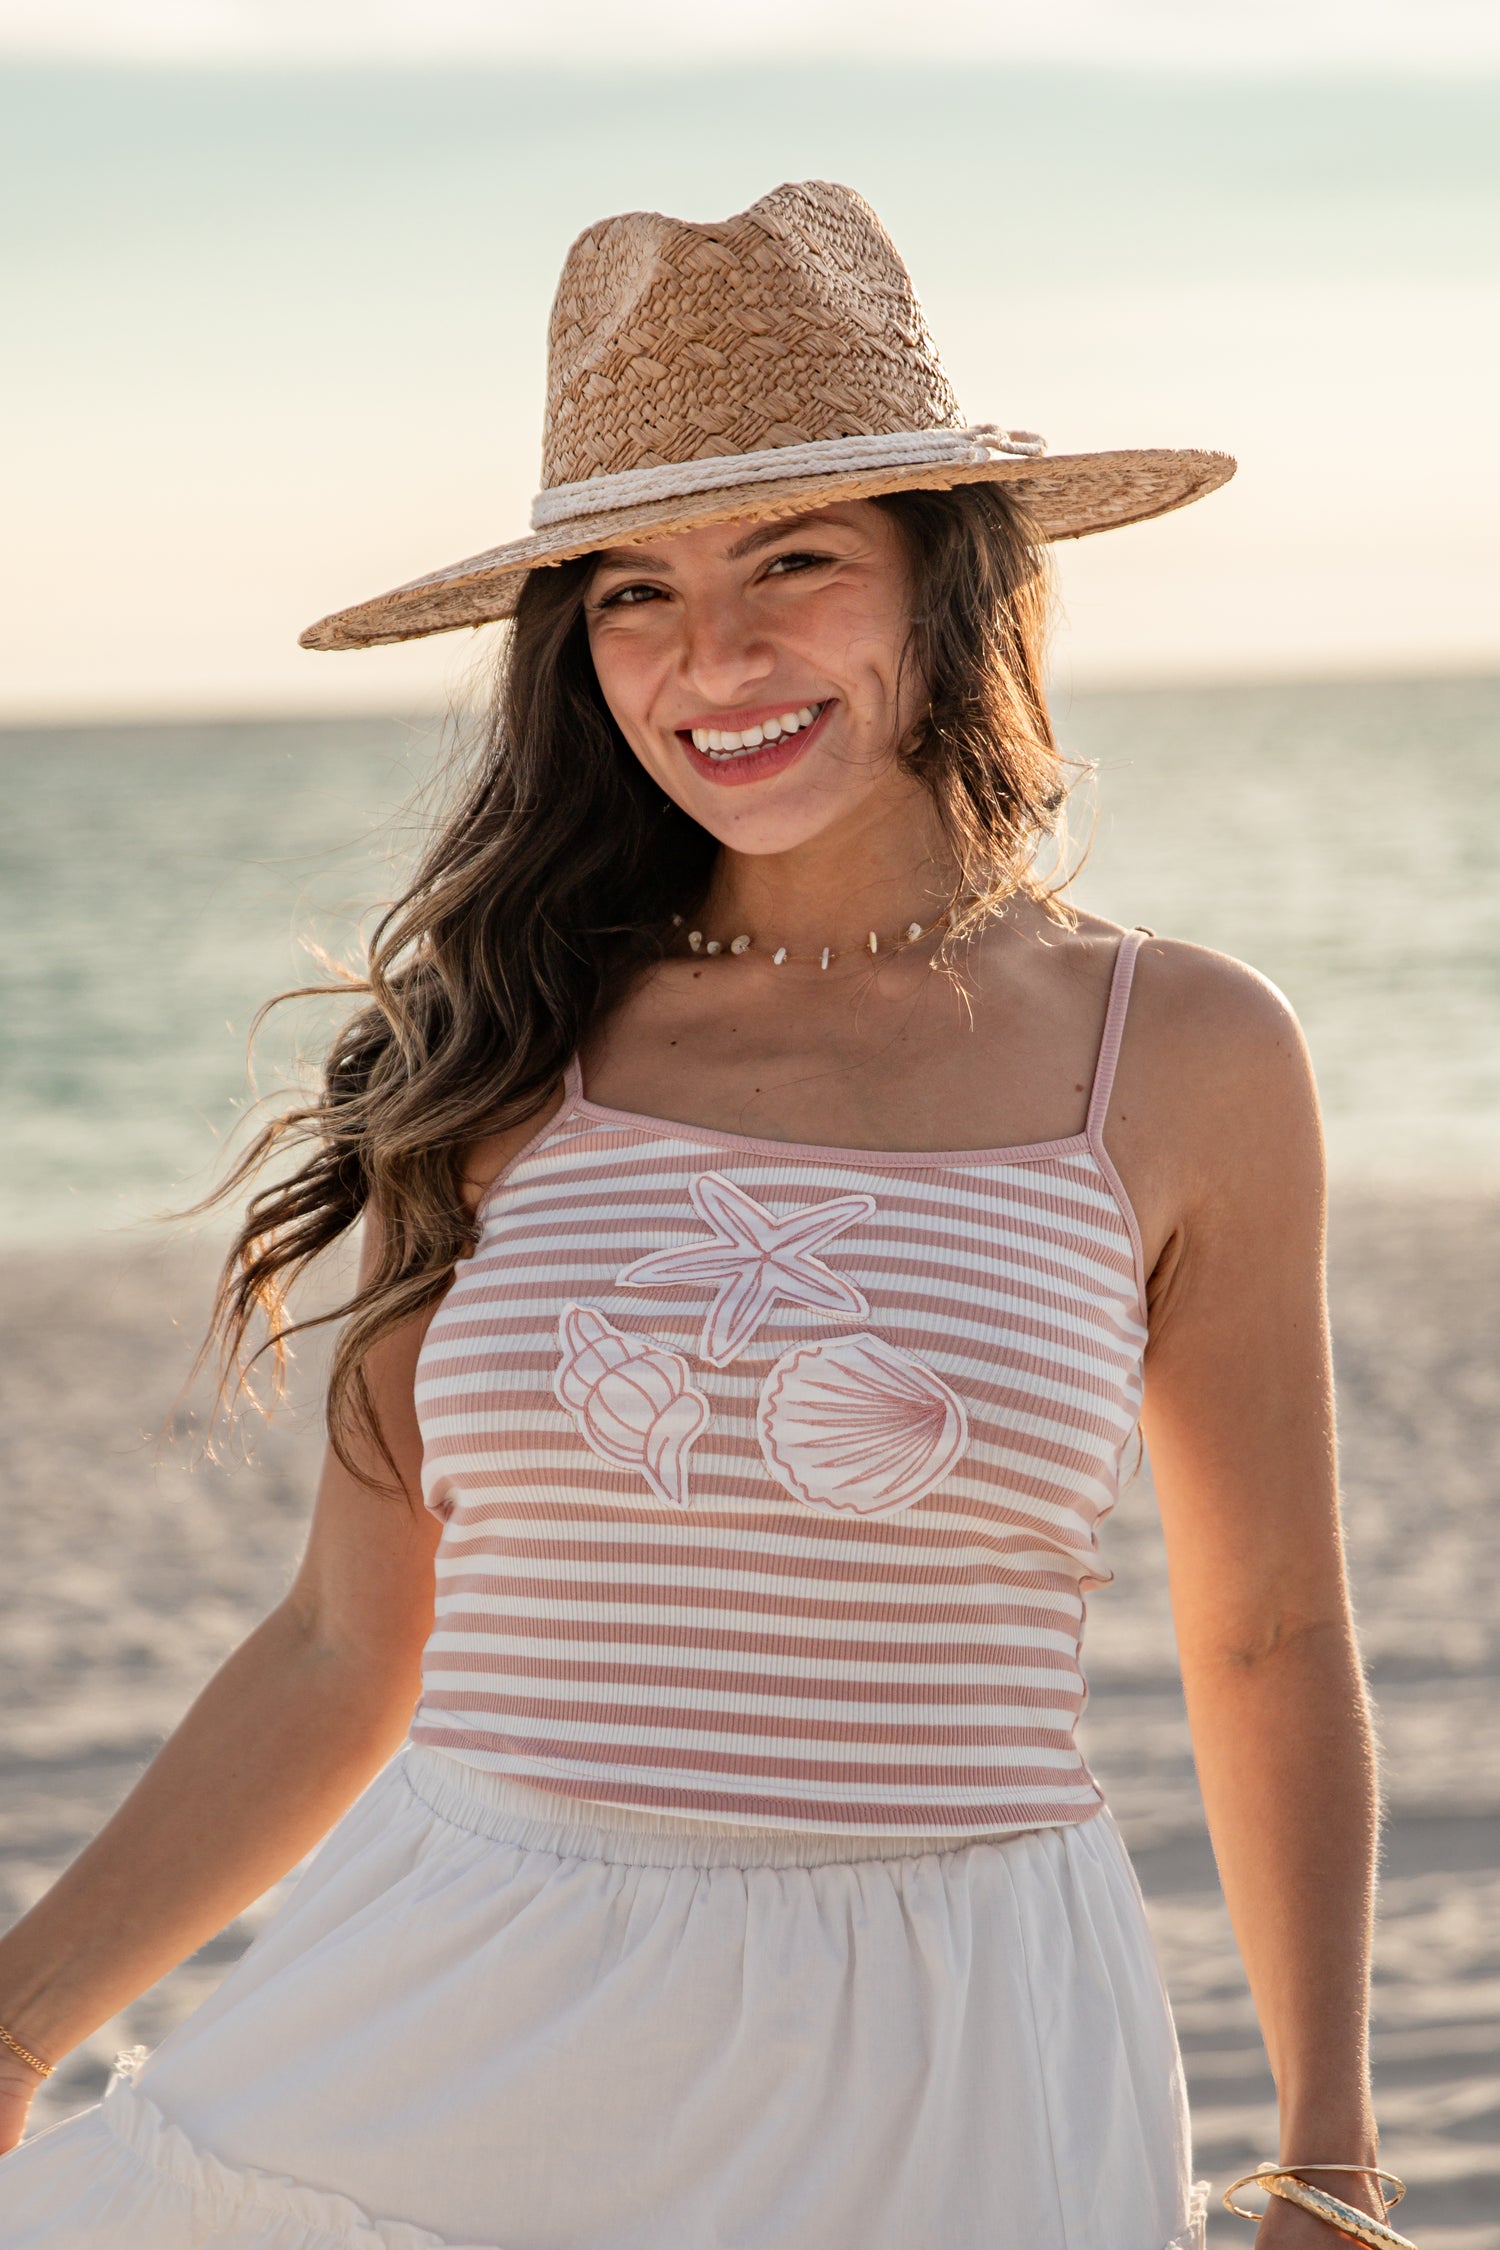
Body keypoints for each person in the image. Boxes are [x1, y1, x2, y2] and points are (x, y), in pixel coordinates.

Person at [0, 182, 1396, 2250]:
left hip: (953, 2040)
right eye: (632, 589)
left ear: (951, 582)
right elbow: (335, 1643)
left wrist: (1334, 2150)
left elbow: (1269, 1630)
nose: (711, 655)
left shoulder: (1178, 1054)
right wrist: (17, 2030)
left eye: (794, 559)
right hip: (469, 2008)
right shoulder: (496, 1049)